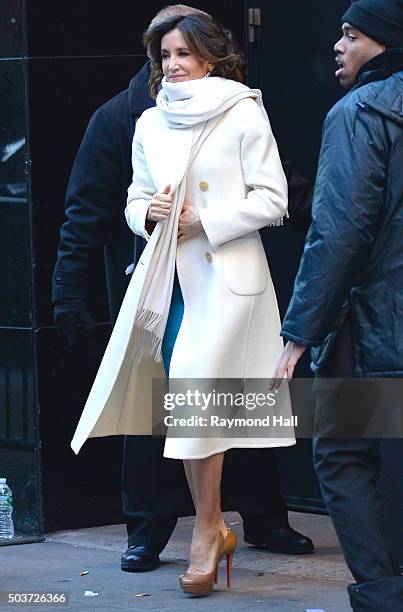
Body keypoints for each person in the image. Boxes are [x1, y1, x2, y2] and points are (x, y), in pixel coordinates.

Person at [53, 4, 313, 574]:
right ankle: (187, 527)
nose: (172, 65)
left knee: (207, 403)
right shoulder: (139, 120)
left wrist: (207, 220)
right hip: (162, 285)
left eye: (183, 54)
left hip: (226, 281)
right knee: (179, 408)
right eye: (164, 55)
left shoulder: (245, 113)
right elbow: (120, 202)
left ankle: (220, 527)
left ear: (212, 55)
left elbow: (274, 198)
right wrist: (149, 214)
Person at [272, 0, 403, 609]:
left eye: (351, 35)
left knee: (344, 455)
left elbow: (339, 232)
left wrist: (299, 331)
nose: (338, 46)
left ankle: (381, 594)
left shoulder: (361, 112)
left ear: (383, 42)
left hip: (374, 320)